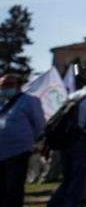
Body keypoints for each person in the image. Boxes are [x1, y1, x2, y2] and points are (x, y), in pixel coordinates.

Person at [48, 74, 86, 207]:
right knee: (78, 179)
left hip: (66, 140)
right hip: (82, 142)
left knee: (68, 178)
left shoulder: (74, 95)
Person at [0, 73, 45, 207]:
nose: (5, 88)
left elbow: (39, 123)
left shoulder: (30, 101)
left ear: (19, 86)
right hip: (1, 153)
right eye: (2, 86)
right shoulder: (1, 103)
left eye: (9, 85)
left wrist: (40, 143)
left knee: (14, 188)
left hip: (18, 151)